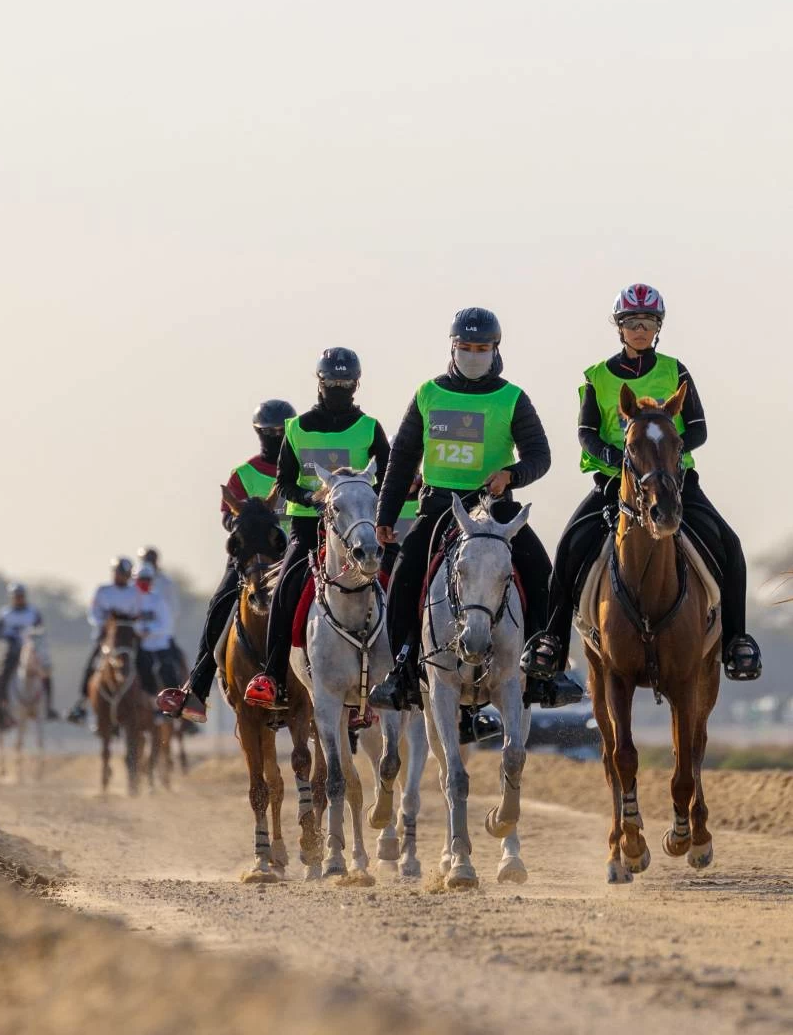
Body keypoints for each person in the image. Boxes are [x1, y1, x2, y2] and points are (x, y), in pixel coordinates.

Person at [521, 283, 762, 684]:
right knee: (568, 547)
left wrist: (669, 452)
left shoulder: (675, 370)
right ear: (619, 328)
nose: (639, 329)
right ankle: (553, 642)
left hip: (675, 483)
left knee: (730, 544)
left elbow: (698, 430)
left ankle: (736, 641)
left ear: (657, 327)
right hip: (613, 485)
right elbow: (587, 433)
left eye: (648, 322)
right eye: (631, 322)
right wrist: (618, 459)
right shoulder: (598, 376)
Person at [369, 307, 582, 717]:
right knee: (404, 576)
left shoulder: (512, 397)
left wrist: (512, 474)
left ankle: (545, 667)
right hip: (438, 510)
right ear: (452, 347)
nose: (472, 354)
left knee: (542, 573)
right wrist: (385, 515)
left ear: (495, 349)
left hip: (495, 511)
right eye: (465, 347)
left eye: (481, 347)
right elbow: (401, 459)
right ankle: (401, 670)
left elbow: (540, 455)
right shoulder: (427, 394)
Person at [243, 349, 391, 719]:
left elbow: (390, 477)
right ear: (320, 382)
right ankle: (272, 676)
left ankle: (405, 671)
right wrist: (311, 497)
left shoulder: (370, 427)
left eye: (345, 383)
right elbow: (284, 482)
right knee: (288, 587)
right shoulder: (297, 428)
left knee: (400, 582)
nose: (338, 389)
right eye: (332, 383)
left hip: (358, 529)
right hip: (310, 525)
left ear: (356, 384)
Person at [157, 397, 295, 724]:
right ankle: (197, 689)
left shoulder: (303, 471)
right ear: (259, 434)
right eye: (269, 432)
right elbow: (226, 517)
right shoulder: (243, 475)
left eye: (281, 432)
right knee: (220, 604)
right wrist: (244, 524)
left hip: (295, 555)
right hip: (251, 561)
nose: (275, 437)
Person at [66, 557, 138, 723]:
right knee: (91, 666)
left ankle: (152, 701)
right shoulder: (103, 591)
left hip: (128, 639)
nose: (120, 576)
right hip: (107, 638)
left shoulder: (134, 592)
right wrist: (105, 625)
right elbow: (94, 613)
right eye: (118, 573)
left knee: (144, 662)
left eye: (124, 574)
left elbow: (137, 613)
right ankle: (82, 704)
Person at [0, 582, 57, 727]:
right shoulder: (5, 613)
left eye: (20, 596)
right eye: (16, 597)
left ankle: (48, 707)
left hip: (32, 650)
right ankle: (2, 705)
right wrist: (9, 636)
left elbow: (41, 629)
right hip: (13, 650)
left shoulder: (33, 612)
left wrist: (31, 637)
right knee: (2, 675)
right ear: (11, 598)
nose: (19, 599)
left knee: (45, 674)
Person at [133, 562, 177, 695]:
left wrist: (149, 630)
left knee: (168, 670)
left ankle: (176, 700)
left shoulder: (158, 599)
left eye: (147, 580)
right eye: (141, 579)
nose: (144, 583)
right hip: (138, 645)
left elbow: (166, 624)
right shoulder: (131, 599)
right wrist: (138, 630)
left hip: (159, 645)